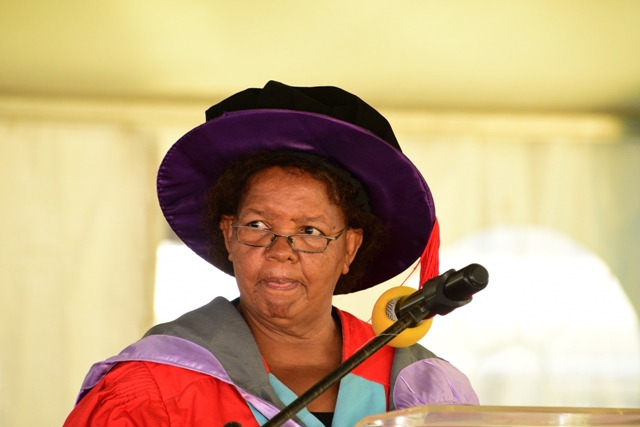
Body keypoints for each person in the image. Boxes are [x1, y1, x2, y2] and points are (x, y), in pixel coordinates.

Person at [63, 81, 478, 427]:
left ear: (349, 248)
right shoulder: (152, 384)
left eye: (309, 231)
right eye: (258, 226)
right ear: (229, 236)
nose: (281, 252)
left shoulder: (420, 389)